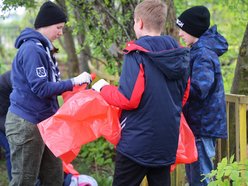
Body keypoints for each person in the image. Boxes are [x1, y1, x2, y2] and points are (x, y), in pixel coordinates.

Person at [92, 0, 190, 185]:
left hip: (136, 144)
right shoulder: (180, 55)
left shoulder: (136, 54)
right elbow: (183, 96)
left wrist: (103, 88)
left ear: (140, 23)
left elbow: (128, 99)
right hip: (166, 142)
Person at [5, 1, 92, 186]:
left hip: (46, 123)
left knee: (54, 177)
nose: (61, 33)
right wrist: (73, 82)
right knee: (24, 180)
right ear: (45, 24)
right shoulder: (31, 49)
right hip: (26, 124)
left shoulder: (44, 48)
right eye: (58, 27)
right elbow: (41, 88)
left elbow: (50, 84)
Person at [176, 5, 228, 186]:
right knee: (196, 176)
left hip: (202, 125)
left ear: (193, 30)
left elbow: (199, 89)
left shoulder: (203, 54)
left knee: (202, 177)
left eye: (183, 29)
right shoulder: (197, 50)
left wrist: (175, 87)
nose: (180, 34)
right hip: (197, 124)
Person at [0, 71, 12, 181]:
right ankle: (14, 181)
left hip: (5, 115)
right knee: (11, 149)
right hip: (2, 118)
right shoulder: (12, 78)